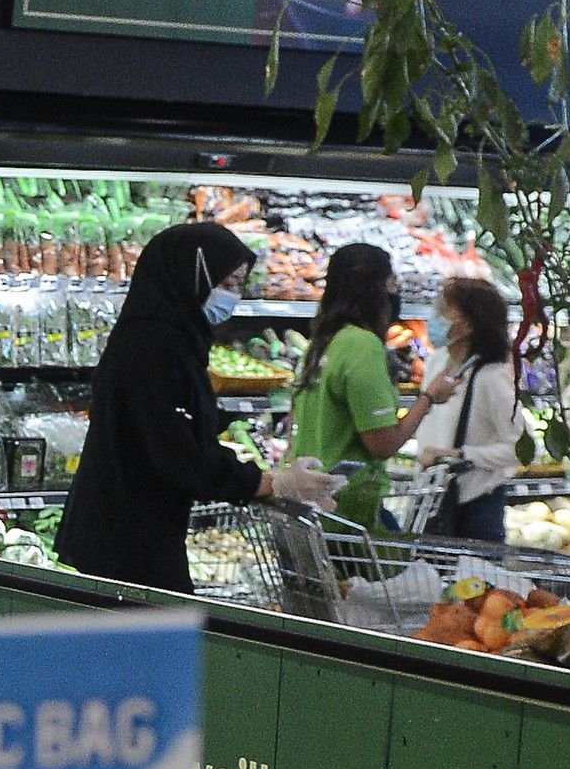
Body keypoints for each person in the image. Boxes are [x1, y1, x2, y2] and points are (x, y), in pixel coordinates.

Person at [55, 221, 337, 593]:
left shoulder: (171, 339)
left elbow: (185, 441)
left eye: (238, 285)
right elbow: (178, 454)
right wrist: (270, 482)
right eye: (226, 284)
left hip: (135, 530)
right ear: (189, 276)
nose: (232, 297)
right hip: (125, 538)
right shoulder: (154, 348)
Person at [288, 240, 460, 539]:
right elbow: (383, 444)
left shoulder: (322, 342)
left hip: (308, 503)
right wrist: (429, 397)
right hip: (348, 510)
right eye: (392, 281)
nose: (396, 290)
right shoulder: (363, 346)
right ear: (379, 288)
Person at [410, 275, 521, 543]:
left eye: (443, 310)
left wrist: (460, 454)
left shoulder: (491, 376)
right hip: (430, 497)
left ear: (468, 324)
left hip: (476, 506)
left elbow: (521, 448)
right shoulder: (436, 362)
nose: (434, 316)